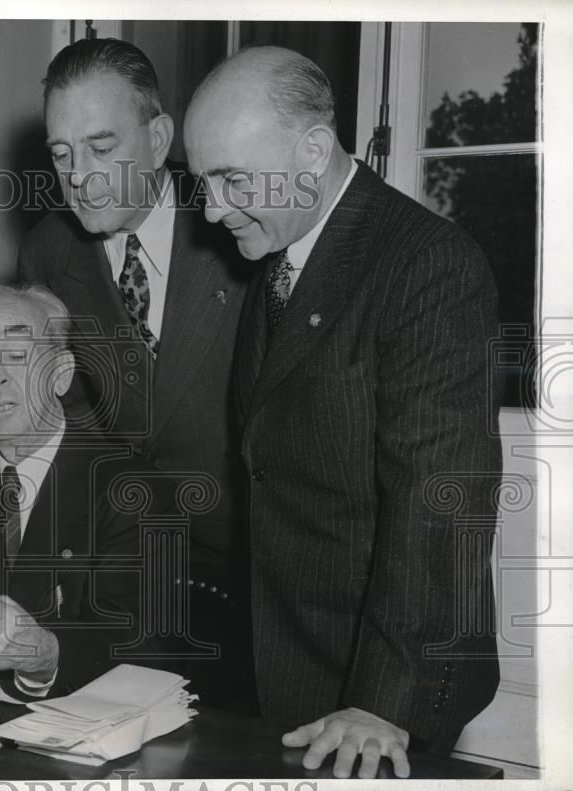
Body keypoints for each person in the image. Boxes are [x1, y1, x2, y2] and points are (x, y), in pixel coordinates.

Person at [183, 45, 502, 778]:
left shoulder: (428, 266)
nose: (211, 208)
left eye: (232, 178)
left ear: (313, 151)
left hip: (387, 684)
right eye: (204, 182)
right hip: (289, 664)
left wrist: (384, 701)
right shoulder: (277, 258)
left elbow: (441, 503)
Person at [17, 37, 252, 708]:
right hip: (125, 576)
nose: (79, 175)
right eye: (61, 155)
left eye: (100, 146)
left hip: (250, 571)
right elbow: (70, 427)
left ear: (157, 138)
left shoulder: (238, 227)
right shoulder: (48, 250)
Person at [0, 284, 179, 696]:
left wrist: (45, 656)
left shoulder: (133, 492)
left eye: (18, 356)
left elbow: (145, 647)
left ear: (61, 375)